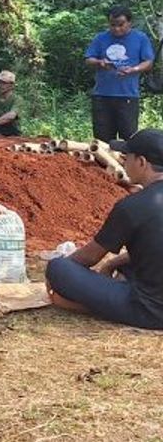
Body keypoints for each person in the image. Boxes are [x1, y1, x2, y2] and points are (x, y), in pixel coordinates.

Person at [45, 129, 163, 329]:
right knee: (125, 265)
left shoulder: (132, 206)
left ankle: (88, 305)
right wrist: (113, 263)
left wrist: (58, 276)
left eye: (127, 157)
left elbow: (88, 258)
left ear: (142, 162)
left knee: (58, 268)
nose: (124, 163)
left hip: (150, 311)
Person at [85, 6, 155, 142]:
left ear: (130, 22)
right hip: (102, 96)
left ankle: (125, 163)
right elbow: (88, 59)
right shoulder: (100, 38)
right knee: (102, 140)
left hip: (127, 96)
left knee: (129, 139)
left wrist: (133, 69)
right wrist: (100, 62)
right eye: (113, 25)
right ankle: (103, 163)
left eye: (121, 25)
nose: (116, 29)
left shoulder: (140, 38)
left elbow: (148, 62)